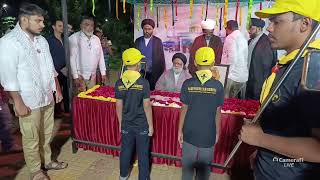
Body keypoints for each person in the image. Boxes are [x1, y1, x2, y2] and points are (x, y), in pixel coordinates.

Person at [240, 0, 320, 179]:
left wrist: (261, 140)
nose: (269, 28)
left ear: (304, 24)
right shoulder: (290, 64)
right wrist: (263, 152)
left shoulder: (313, 70)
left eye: (277, 22)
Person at [0, 3, 68, 180]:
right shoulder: (9, 42)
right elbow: (8, 76)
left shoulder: (41, 40)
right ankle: (35, 171)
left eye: (43, 21)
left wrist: (57, 89)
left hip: (47, 96)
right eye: (38, 21)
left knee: (46, 133)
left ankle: (46, 162)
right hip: (28, 101)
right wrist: (18, 102)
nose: (43, 25)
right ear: (24, 19)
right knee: (31, 138)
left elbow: (50, 67)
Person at [178, 47, 224, 180]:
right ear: (213, 63)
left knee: (187, 168)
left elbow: (184, 109)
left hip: (189, 131)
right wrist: (217, 132)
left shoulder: (187, 84)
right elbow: (217, 111)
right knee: (204, 171)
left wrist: (179, 130)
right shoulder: (218, 86)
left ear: (195, 63)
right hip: (208, 133)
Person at [115, 48, 154, 180]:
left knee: (125, 150)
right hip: (142, 124)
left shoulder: (119, 82)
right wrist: (151, 126)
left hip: (126, 123)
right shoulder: (144, 83)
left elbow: (118, 104)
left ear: (125, 64)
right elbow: (147, 106)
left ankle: (123, 175)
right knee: (143, 154)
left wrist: (121, 122)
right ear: (138, 64)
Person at [69, 15, 107, 93]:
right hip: (80, 76)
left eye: (92, 25)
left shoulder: (96, 39)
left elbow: (100, 57)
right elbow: (72, 58)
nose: (90, 27)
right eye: (86, 24)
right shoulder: (74, 38)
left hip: (92, 76)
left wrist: (103, 73)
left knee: (91, 99)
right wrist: (75, 77)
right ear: (81, 25)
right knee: (80, 100)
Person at [245, 18, 277, 100]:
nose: (249, 31)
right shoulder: (250, 41)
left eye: (251, 28)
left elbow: (267, 65)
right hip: (248, 80)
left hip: (259, 84)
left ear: (259, 29)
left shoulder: (267, 42)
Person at [134, 18, 165, 90]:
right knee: (140, 91)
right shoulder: (138, 41)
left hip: (153, 74)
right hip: (139, 73)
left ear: (152, 29)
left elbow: (161, 59)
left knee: (152, 93)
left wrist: (160, 73)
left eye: (149, 29)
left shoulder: (157, 41)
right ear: (143, 29)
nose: (147, 31)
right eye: (145, 29)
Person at [47, 19, 70, 116]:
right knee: (56, 90)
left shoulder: (66, 40)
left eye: (63, 26)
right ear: (53, 27)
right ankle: (57, 112)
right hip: (55, 70)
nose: (62, 28)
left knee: (67, 90)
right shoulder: (49, 41)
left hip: (66, 69)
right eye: (59, 26)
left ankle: (67, 109)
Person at [221, 20, 248, 98]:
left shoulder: (230, 37)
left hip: (231, 76)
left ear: (228, 28)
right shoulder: (243, 37)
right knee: (235, 102)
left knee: (227, 103)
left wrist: (227, 74)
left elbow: (232, 58)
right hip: (242, 76)